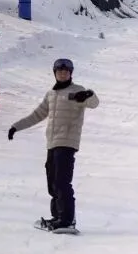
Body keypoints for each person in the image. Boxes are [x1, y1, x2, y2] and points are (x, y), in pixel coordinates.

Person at [8, 58, 99, 234]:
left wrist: (89, 94)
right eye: (59, 71)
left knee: (62, 180)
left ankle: (67, 219)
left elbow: (94, 103)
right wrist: (16, 126)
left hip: (67, 141)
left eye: (66, 71)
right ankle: (58, 217)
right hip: (52, 142)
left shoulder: (77, 91)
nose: (63, 74)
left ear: (70, 73)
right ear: (55, 73)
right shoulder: (51, 94)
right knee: (52, 181)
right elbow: (37, 114)